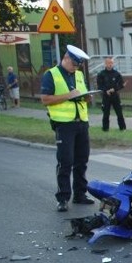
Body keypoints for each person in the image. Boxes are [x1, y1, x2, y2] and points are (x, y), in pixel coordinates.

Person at [40, 45, 94, 212]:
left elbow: (82, 94)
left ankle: (80, 194)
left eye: (78, 65)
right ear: (66, 58)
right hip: (64, 124)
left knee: (82, 160)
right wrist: (68, 96)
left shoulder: (79, 74)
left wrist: (87, 98)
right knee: (66, 161)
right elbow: (45, 99)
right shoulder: (51, 75)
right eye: (74, 64)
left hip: (81, 122)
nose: (76, 68)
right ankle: (63, 198)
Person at [96, 57, 127, 131]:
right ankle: (105, 129)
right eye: (108, 63)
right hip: (106, 96)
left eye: (111, 63)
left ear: (113, 64)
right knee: (106, 114)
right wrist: (105, 90)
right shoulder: (101, 74)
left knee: (119, 113)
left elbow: (121, 85)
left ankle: (122, 128)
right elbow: (99, 86)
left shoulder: (116, 74)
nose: (109, 65)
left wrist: (115, 89)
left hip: (115, 96)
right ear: (105, 64)